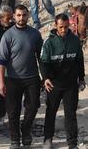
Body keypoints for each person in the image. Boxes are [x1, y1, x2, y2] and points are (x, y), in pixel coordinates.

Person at [0, 5, 43, 148]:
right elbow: (1, 61)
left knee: (34, 106)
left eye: (24, 15)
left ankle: (26, 130)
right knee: (13, 111)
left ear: (28, 16)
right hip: (12, 79)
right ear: (14, 17)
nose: (21, 18)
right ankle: (15, 139)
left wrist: (45, 77)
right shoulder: (8, 35)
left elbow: (42, 58)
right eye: (18, 15)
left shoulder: (35, 34)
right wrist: (1, 82)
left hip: (32, 77)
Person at [41, 13, 85, 149]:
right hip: (54, 84)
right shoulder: (49, 42)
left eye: (66, 27)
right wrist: (46, 78)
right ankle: (48, 139)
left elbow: (79, 60)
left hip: (70, 84)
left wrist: (81, 78)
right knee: (51, 111)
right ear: (56, 25)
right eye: (61, 27)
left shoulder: (75, 40)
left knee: (71, 114)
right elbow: (43, 63)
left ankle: (72, 143)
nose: (64, 30)